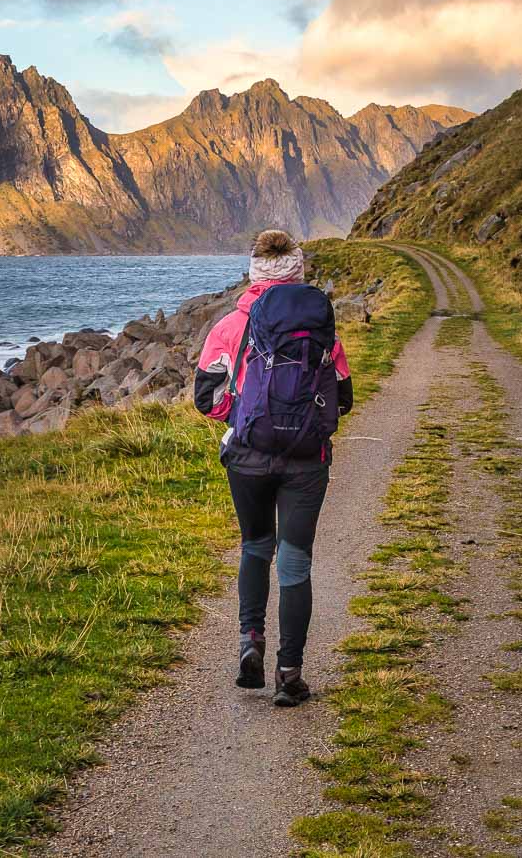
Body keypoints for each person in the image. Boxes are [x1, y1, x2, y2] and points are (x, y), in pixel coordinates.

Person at [193, 229, 352, 706]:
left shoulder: (227, 327)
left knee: (255, 546)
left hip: (247, 458)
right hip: (306, 462)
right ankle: (289, 674)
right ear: (299, 272)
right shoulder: (321, 329)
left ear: (253, 271)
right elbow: (341, 399)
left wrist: (242, 416)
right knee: (295, 561)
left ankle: (250, 643)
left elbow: (206, 398)